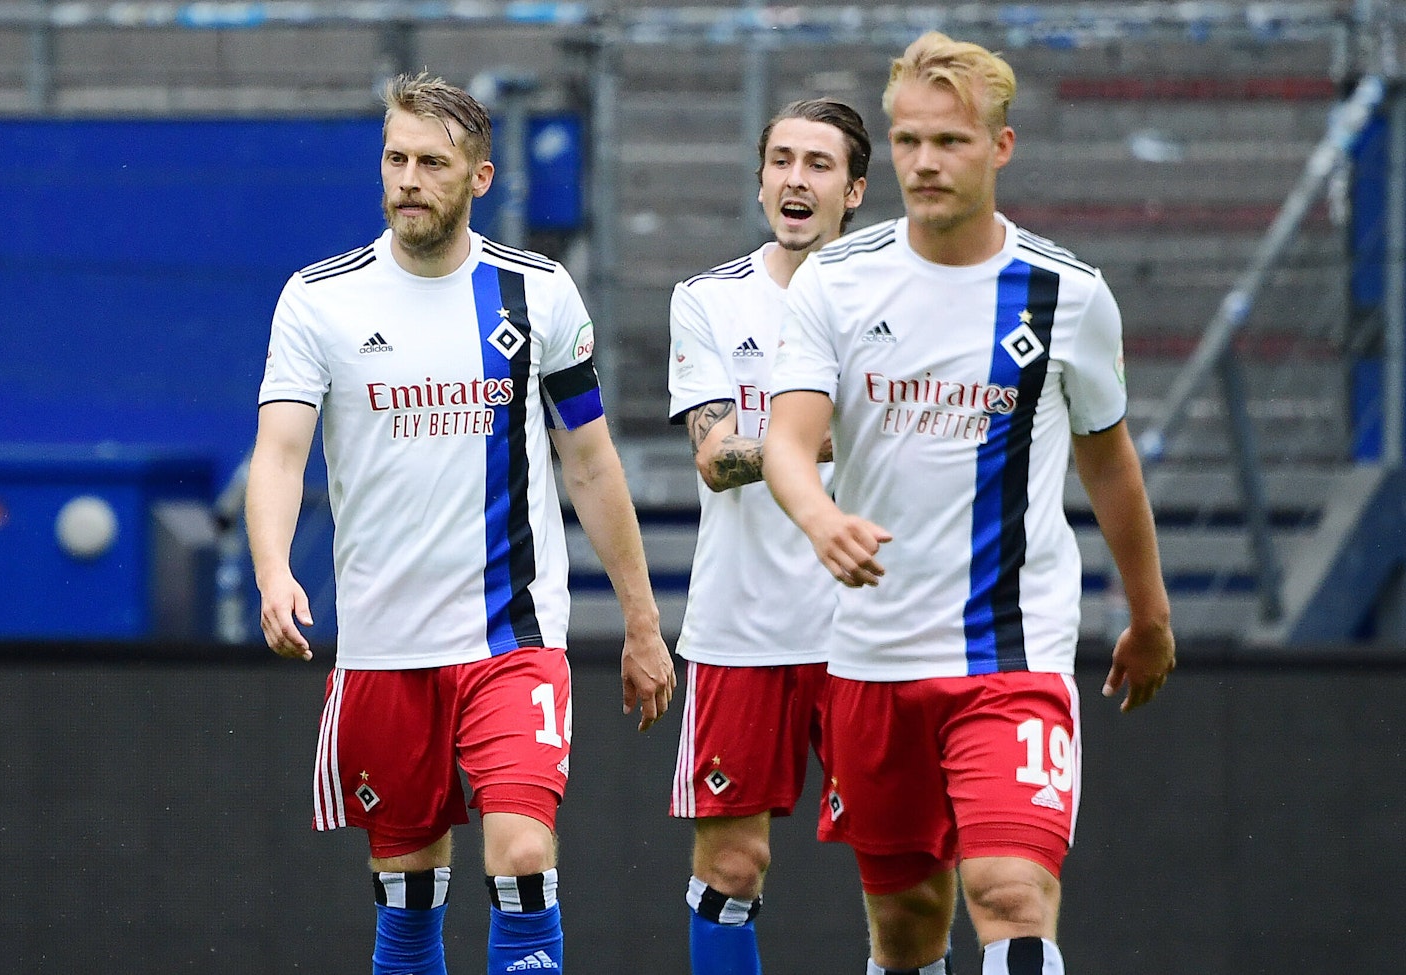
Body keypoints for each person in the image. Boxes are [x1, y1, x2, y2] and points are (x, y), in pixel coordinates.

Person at [760, 32, 1177, 975]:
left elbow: (1108, 463)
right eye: (907, 141)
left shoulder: (1066, 296)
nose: (923, 162)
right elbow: (787, 440)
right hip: (871, 660)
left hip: (1009, 654)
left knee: (1010, 892)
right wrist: (822, 518)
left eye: (949, 141)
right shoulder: (837, 280)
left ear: (1001, 146)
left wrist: (1148, 612)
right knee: (907, 929)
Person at [247, 72, 676, 975]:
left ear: (478, 178)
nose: (408, 178)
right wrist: (274, 568)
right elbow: (280, 454)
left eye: (432, 163)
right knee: (408, 903)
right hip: (382, 646)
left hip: (509, 635)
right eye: (395, 159)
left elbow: (591, 462)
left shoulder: (538, 295)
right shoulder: (319, 299)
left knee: (522, 854)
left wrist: (642, 620)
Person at [664, 98, 868, 975]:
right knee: (732, 866)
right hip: (744, 628)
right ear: (760, 181)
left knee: (902, 868)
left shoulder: (893, 298)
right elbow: (714, 458)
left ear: (854, 190)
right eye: (781, 160)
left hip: (873, 628)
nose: (795, 178)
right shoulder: (709, 300)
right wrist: (829, 435)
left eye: (818, 164)